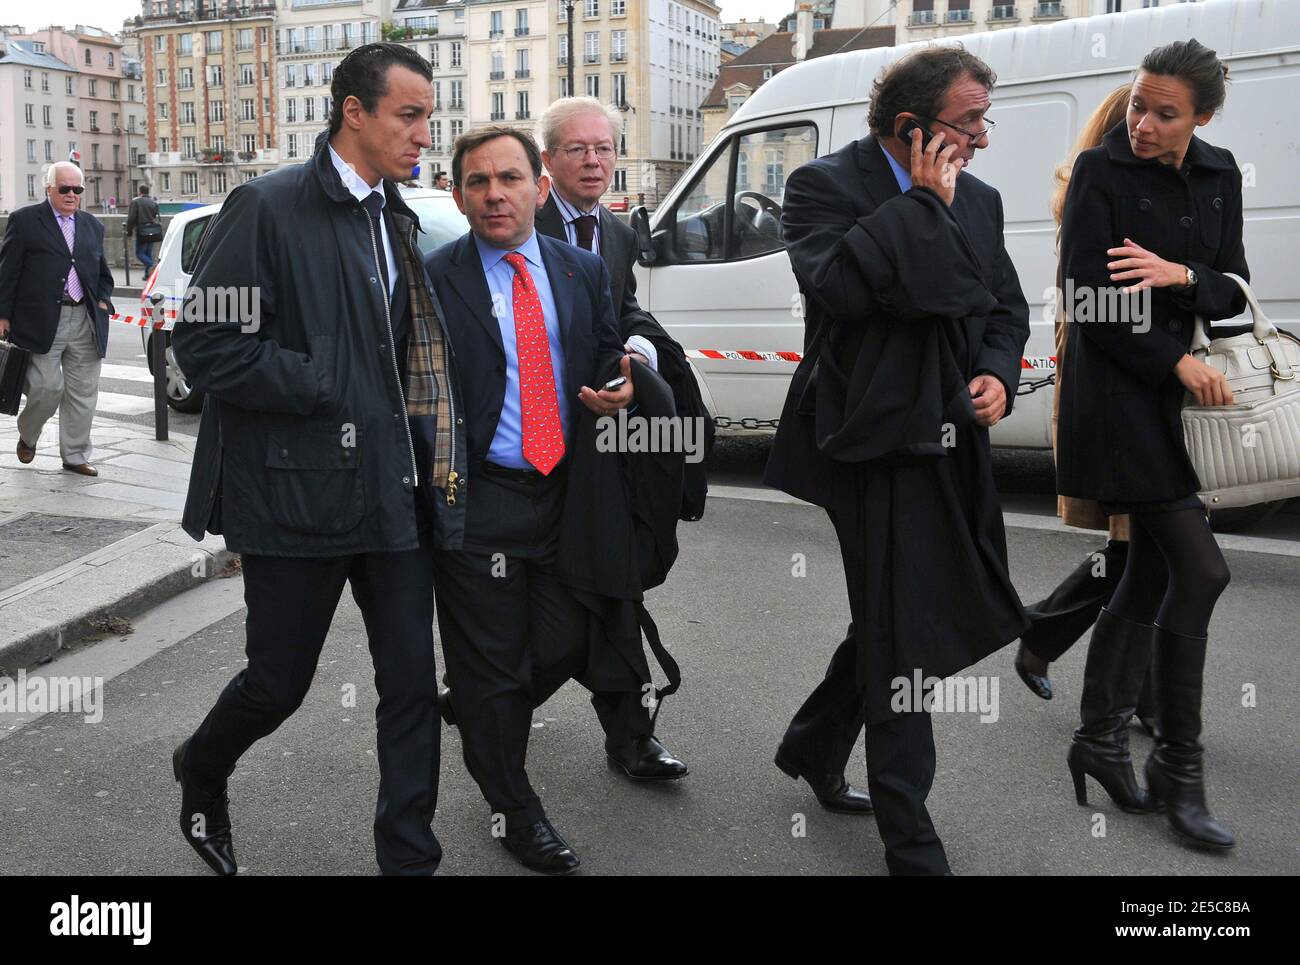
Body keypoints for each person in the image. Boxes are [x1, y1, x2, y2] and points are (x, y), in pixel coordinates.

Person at [170, 43, 465, 876]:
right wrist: (320, 378)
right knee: (277, 684)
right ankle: (203, 764)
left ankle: (409, 860)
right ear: (354, 113)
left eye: (427, 117)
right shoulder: (266, 207)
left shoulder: (396, 214)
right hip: (295, 498)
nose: (421, 133)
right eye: (408, 115)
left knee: (411, 686)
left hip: (392, 494)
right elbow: (202, 344)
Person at [764, 45, 1030, 874]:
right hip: (868, 440)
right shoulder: (823, 186)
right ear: (914, 129)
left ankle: (813, 741)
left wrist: (995, 371)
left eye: (984, 119)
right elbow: (840, 290)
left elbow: (1001, 304)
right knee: (905, 626)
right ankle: (910, 836)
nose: (983, 137)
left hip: (951, 436)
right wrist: (919, 204)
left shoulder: (980, 199)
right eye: (969, 121)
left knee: (901, 609)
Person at [425, 126, 637, 874]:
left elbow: (607, 346)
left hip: (567, 496)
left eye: (509, 178)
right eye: (477, 182)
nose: (494, 194)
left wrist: (623, 380)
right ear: (458, 195)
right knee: (495, 671)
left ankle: (481, 710)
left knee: (571, 638)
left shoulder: (580, 270)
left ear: (539, 188)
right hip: (480, 502)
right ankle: (517, 808)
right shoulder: (432, 279)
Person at [1056, 39, 1244, 849]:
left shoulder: (1220, 171)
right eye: (1139, 103)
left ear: (1200, 116)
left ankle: (1099, 739)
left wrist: (1181, 278)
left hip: (1181, 405)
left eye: (1164, 113)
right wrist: (1171, 355)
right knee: (1202, 567)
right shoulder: (1102, 172)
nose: (1142, 122)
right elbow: (1082, 298)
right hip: (1118, 397)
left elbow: (1233, 286)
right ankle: (1179, 766)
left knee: (1151, 571)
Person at [526, 94, 711, 780]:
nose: (595, 160)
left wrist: (637, 357)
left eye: (604, 147)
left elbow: (624, 308)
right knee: (574, 592)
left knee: (609, 579)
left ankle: (627, 736)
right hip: (537, 445)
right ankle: (493, 700)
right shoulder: (519, 219)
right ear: (546, 161)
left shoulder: (618, 231)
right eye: (578, 149)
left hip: (603, 442)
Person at [1014, 86, 1149, 725]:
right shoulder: (1101, 188)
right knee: (1145, 548)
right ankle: (1121, 698)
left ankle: (1064, 650)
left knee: (1152, 550)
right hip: (1121, 383)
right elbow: (1099, 302)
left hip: (1145, 381)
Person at [0, 161, 114, 477]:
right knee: (47, 388)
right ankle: (29, 434)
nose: (71, 195)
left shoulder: (93, 225)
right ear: (49, 188)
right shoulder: (24, 221)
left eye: (77, 189)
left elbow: (102, 272)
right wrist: (2, 315)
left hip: (85, 319)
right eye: (64, 188)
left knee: (83, 392)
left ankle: (75, 455)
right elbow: (8, 271)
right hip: (40, 319)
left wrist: (103, 300)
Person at [126, 183, 162, 273]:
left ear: (140, 192)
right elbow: (155, 216)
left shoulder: (136, 202)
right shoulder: (153, 202)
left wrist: (129, 231)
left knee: (140, 253)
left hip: (142, 230)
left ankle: (152, 265)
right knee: (148, 253)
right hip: (153, 230)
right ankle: (148, 274)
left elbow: (131, 218)